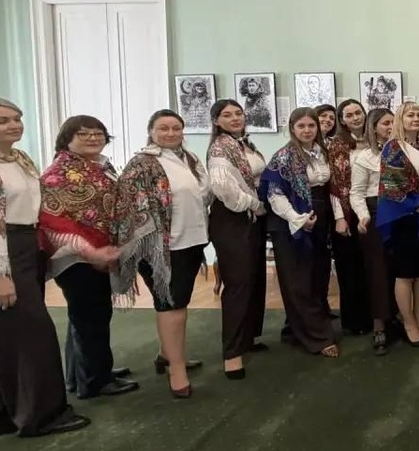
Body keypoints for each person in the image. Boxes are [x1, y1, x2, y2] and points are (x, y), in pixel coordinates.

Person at [0, 96, 90, 440]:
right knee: (32, 334)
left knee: (1, 336)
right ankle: (41, 416)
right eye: (2, 120)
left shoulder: (19, 158)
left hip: (25, 247)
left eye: (16, 118)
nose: (14, 125)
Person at [114, 109, 212, 398]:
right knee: (171, 305)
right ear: (151, 131)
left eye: (176, 128)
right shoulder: (141, 164)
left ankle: (167, 354)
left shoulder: (189, 159)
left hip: (191, 241)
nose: (170, 133)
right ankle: (177, 372)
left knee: (178, 302)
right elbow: (131, 209)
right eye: (163, 128)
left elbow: (202, 195)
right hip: (160, 249)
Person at [39, 115, 137, 399]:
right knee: (91, 318)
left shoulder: (97, 166)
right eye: (83, 134)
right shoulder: (59, 174)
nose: (93, 138)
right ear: (67, 139)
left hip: (98, 252)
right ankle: (95, 381)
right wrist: (91, 251)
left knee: (85, 317)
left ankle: (81, 373)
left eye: (98, 133)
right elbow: (55, 220)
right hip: (77, 257)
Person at [259, 107, 340, 358]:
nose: (307, 130)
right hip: (291, 220)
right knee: (299, 279)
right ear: (292, 129)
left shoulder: (322, 152)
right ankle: (317, 337)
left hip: (319, 214)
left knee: (317, 274)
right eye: (301, 126)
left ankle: (294, 330)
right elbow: (274, 194)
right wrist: (297, 219)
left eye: (311, 126)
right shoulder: (283, 157)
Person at [206, 98, 269, 380]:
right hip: (233, 219)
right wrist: (256, 205)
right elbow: (224, 188)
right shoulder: (220, 147)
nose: (235, 118)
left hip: (252, 218)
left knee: (254, 279)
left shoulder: (244, 144)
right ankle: (232, 353)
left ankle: (247, 338)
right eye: (227, 115)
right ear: (216, 121)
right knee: (238, 284)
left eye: (238, 113)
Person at [377, 102, 419, 346]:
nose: (416, 119)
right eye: (410, 115)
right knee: (405, 273)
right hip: (403, 217)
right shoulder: (393, 148)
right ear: (400, 120)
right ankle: (408, 322)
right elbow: (393, 185)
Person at [349, 107, 395, 355]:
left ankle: (396, 316)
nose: (390, 127)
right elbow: (356, 193)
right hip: (375, 214)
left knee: (398, 269)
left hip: (400, 213)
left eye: (393, 123)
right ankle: (379, 325)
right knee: (378, 271)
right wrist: (363, 216)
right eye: (386, 123)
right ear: (374, 128)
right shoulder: (364, 157)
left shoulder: (402, 152)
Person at [327, 99, 372, 337]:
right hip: (345, 212)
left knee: (370, 266)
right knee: (350, 267)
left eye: (358, 112)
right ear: (342, 120)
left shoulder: (373, 139)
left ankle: (376, 315)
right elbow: (334, 183)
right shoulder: (337, 145)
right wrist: (340, 217)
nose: (355, 118)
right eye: (349, 115)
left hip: (369, 208)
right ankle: (355, 320)